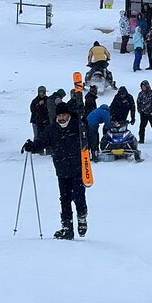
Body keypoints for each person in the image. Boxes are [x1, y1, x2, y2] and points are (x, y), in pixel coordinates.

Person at [22, 102, 88, 240]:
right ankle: (67, 228)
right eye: (59, 115)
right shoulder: (52, 129)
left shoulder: (77, 125)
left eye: (64, 115)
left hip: (77, 168)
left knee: (78, 195)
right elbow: (41, 141)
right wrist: (32, 146)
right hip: (61, 169)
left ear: (68, 114)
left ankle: (82, 218)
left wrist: (81, 114)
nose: (62, 117)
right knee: (64, 199)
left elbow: (88, 132)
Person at [30, 85, 49, 154]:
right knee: (37, 136)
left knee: (46, 135)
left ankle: (47, 150)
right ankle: (36, 149)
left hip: (45, 121)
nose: (42, 94)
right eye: (40, 92)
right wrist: (38, 105)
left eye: (43, 92)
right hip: (36, 121)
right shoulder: (35, 100)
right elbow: (32, 110)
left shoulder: (47, 99)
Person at [136, 80, 152, 144]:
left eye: (144, 86)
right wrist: (140, 110)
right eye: (142, 86)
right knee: (142, 127)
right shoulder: (141, 94)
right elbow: (138, 102)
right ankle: (141, 139)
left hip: (151, 113)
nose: (143, 87)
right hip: (143, 113)